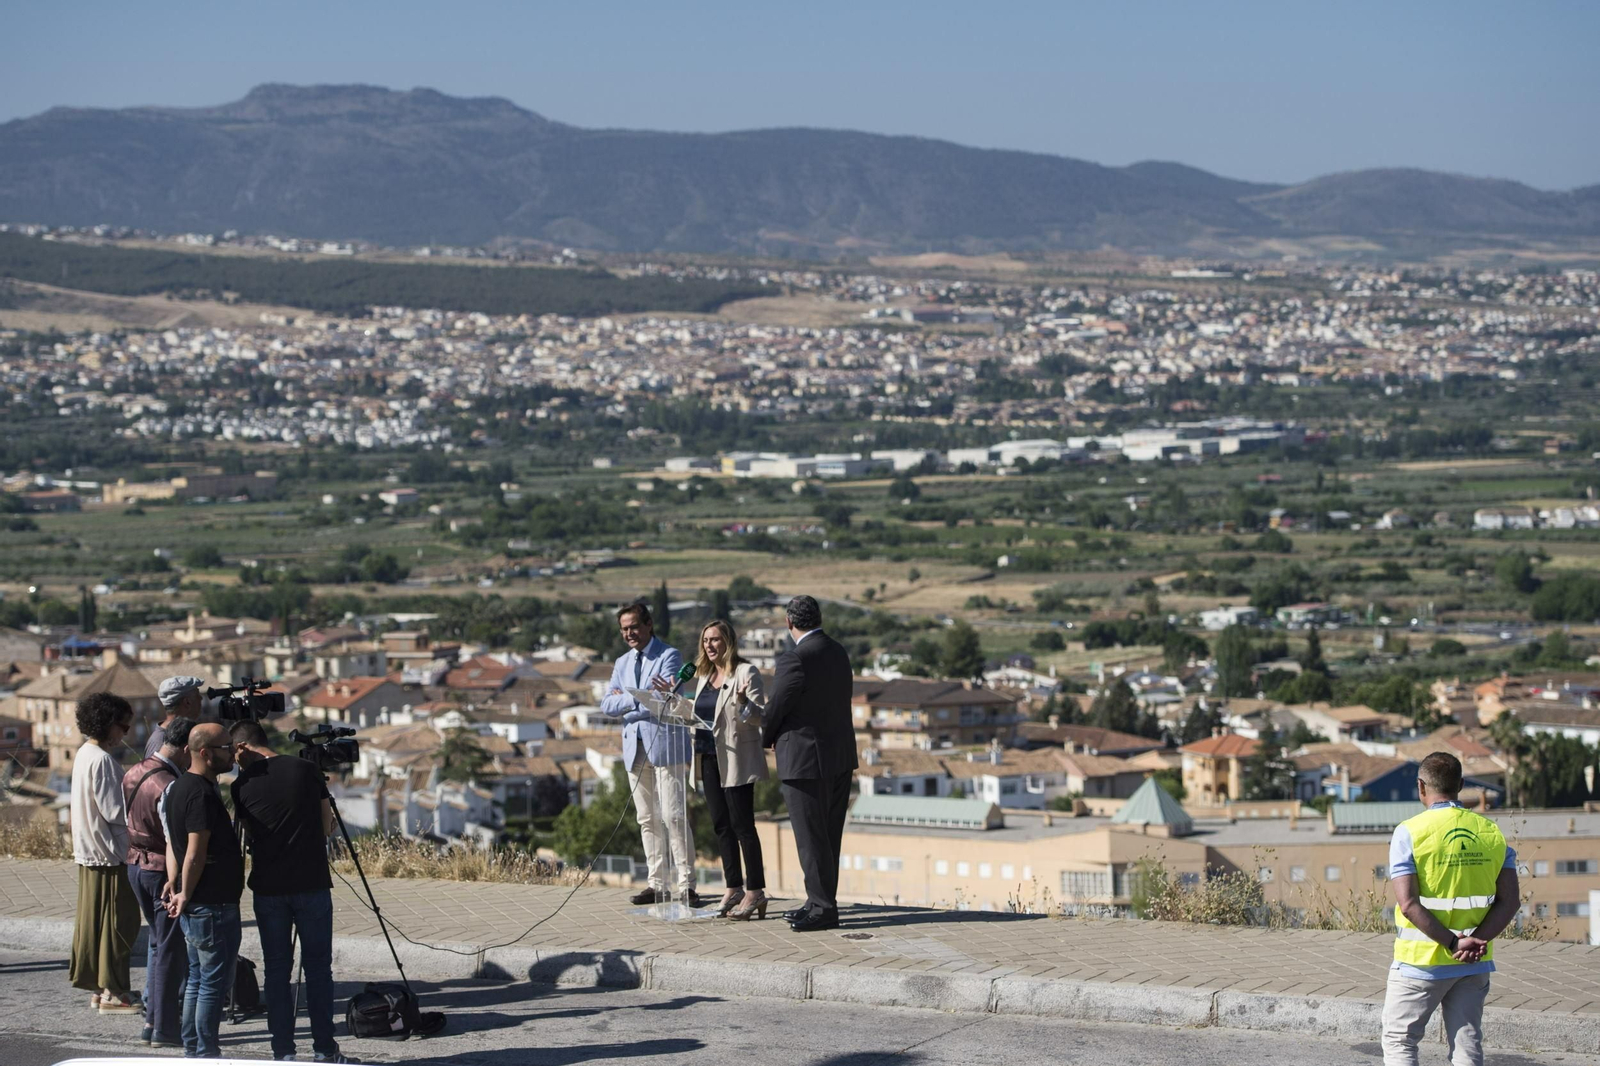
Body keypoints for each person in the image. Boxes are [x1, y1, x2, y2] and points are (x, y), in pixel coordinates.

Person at [230, 719, 358, 1064]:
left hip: (269, 888)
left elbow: (247, 835)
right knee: (318, 970)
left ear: (243, 747)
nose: (233, 760)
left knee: (276, 972)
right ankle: (324, 1050)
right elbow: (325, 827)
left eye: (233, 752)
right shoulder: (306, 770)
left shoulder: (241, 785)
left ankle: (283, 1051)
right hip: (311, 883)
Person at [1382, 751, 1520, 1066]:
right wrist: (1474, 943)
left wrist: (1453, 943)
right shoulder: (1491, 832)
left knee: (1400, 1043)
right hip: (1474, 963)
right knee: (1467, 1046)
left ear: (1421, 787)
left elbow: (1409, 904)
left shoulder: (1410, 832)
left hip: (1421, 963)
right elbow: (1510, 901)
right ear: (1460, 784)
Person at [761, 595, 858, 932]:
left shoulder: (795, 658)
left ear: (789, 623)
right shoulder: (838, 651)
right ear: (819, 618)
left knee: (810, 837)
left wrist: (766, 736)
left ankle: (823, 909)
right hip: (840, 755)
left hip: (803, 759)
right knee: (829, 837)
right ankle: (817, 901)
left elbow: (777, 706)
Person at [599, 602, 699, 906]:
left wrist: (628, 699)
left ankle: (687, 885)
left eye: (634, 627)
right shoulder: (621, 663)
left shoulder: (669, 655)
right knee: (647, 818)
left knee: (674, 816)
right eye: (624, 629)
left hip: (667, 744)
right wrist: (638, 697)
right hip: (635, 747)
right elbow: (606, 705)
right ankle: (656, 884)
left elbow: (665, 699)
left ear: (649, 625)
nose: (630, 633)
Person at [165, 721, 245, 1059]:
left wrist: (175, 883)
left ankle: (193, 1050)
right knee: (212, 984)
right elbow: (194, 851)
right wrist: (183, 890)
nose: (233, 752)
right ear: (204, 753)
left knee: (198, 979)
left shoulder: (179, 787)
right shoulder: (198, 793)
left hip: (198, 900)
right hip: (211, 904)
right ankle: (205, 1053)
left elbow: (172, 843)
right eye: (226, 747)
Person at [69, 692, 144, 1014]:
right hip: (111, 854)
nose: (125, 733)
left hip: (90, 853)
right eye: (123, 726)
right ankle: (114, 991)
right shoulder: (103, 762)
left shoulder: (84, 753)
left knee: (97, 925)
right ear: (108, 723)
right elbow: (116, 814)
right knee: (119, 926)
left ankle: (104, 988)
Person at [689, 619, 769, 920]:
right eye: (705, 640)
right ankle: (733, 886)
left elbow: (763, 716)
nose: (709, 645)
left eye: (715, 640)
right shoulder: (703, 676)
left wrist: (745, 703)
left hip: (735, 759)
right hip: (707, 757)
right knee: (721, 825)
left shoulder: (746, 673)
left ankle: (756, 890)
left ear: (728, 642)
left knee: (743, 827)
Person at [123, 715, 194, 1047]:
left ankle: (153, 1021)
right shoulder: (168, 784)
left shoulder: (134, 771)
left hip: (134, 865)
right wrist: (176, 880)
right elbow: (172, 839)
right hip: (157, 869)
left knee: (158, 943)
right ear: (183, 748)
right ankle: (165, 1027)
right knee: (169, 950)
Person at [147, 676, 206, 759]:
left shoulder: (176, 735)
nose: (201, 698)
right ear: (187, 702)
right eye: (197, 695)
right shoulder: (160, 742)